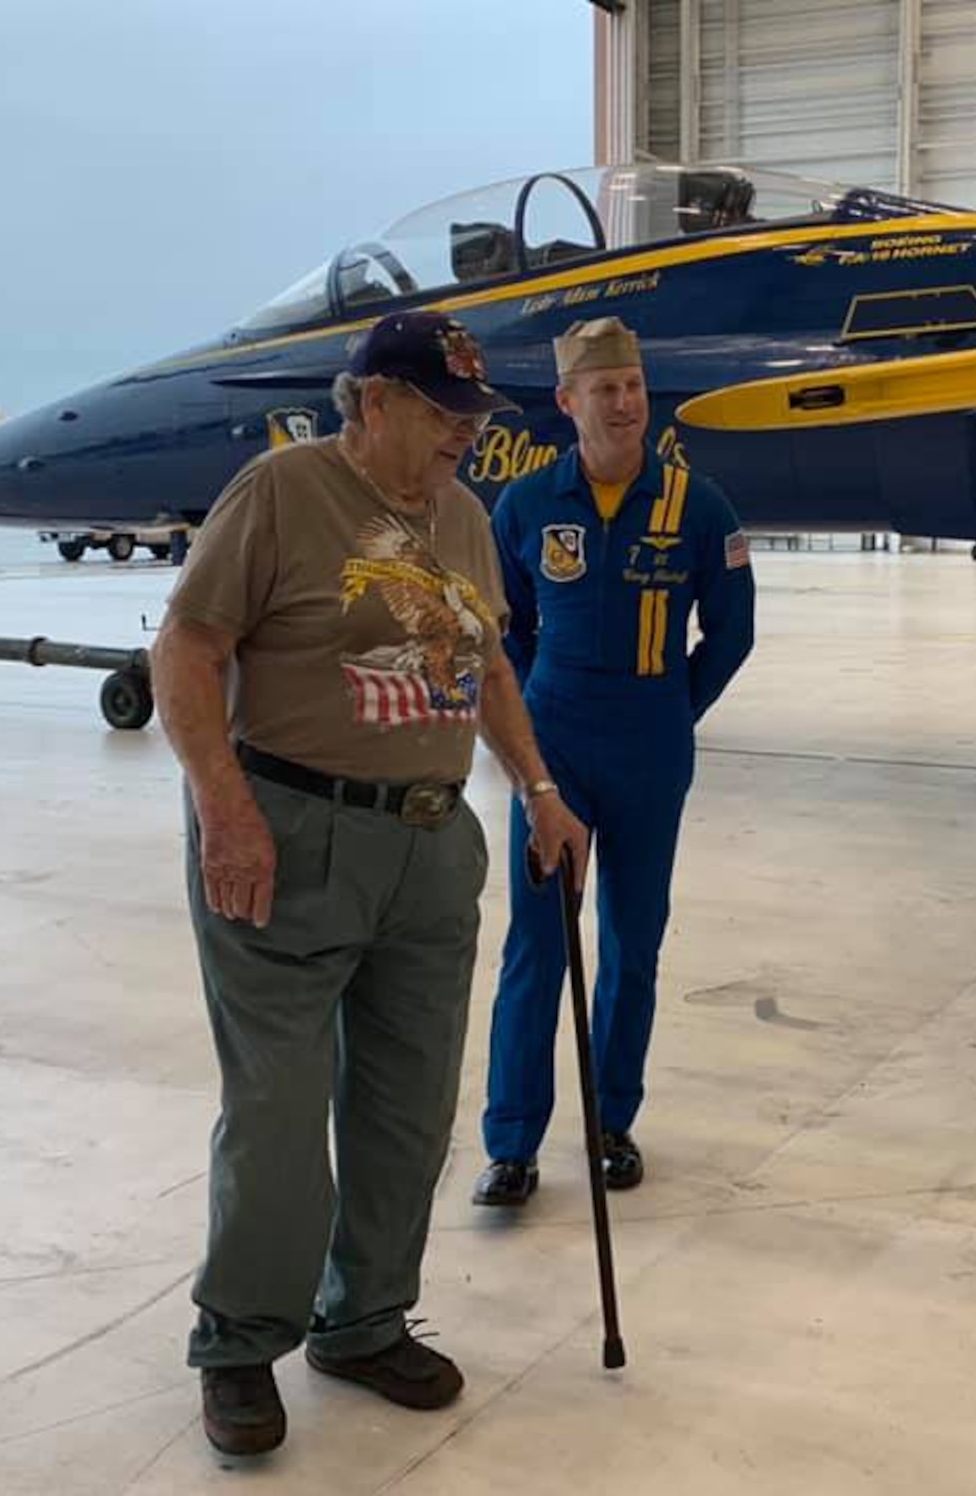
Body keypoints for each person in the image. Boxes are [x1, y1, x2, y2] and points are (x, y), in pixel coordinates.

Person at [150, 310, 589, 1459]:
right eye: (444, 412)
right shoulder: (284, 489)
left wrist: (538, 786)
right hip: (289, 834)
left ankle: (365, 1319)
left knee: (405, 1107)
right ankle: (241, 1340)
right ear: (376, 400)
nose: (463, 433)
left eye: (472, 415)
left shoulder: (463, 516)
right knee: (281, 1110)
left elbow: (486, 661)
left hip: (429, 848)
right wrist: (223, 807)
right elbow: (187, 649)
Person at [472, 315, 755, 1208]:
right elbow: (504, 629)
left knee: (634, 944)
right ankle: (511, 1143)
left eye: (633, 385)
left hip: (650, 745)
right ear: (568, 402)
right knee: (537, 944)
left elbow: (734, 632)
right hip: (554, 747)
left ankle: (611, 1126)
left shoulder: (698, 506)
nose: (626, 402)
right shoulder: (523, 507)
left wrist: (674, 709)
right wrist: (524, 725)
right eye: (606, 388)